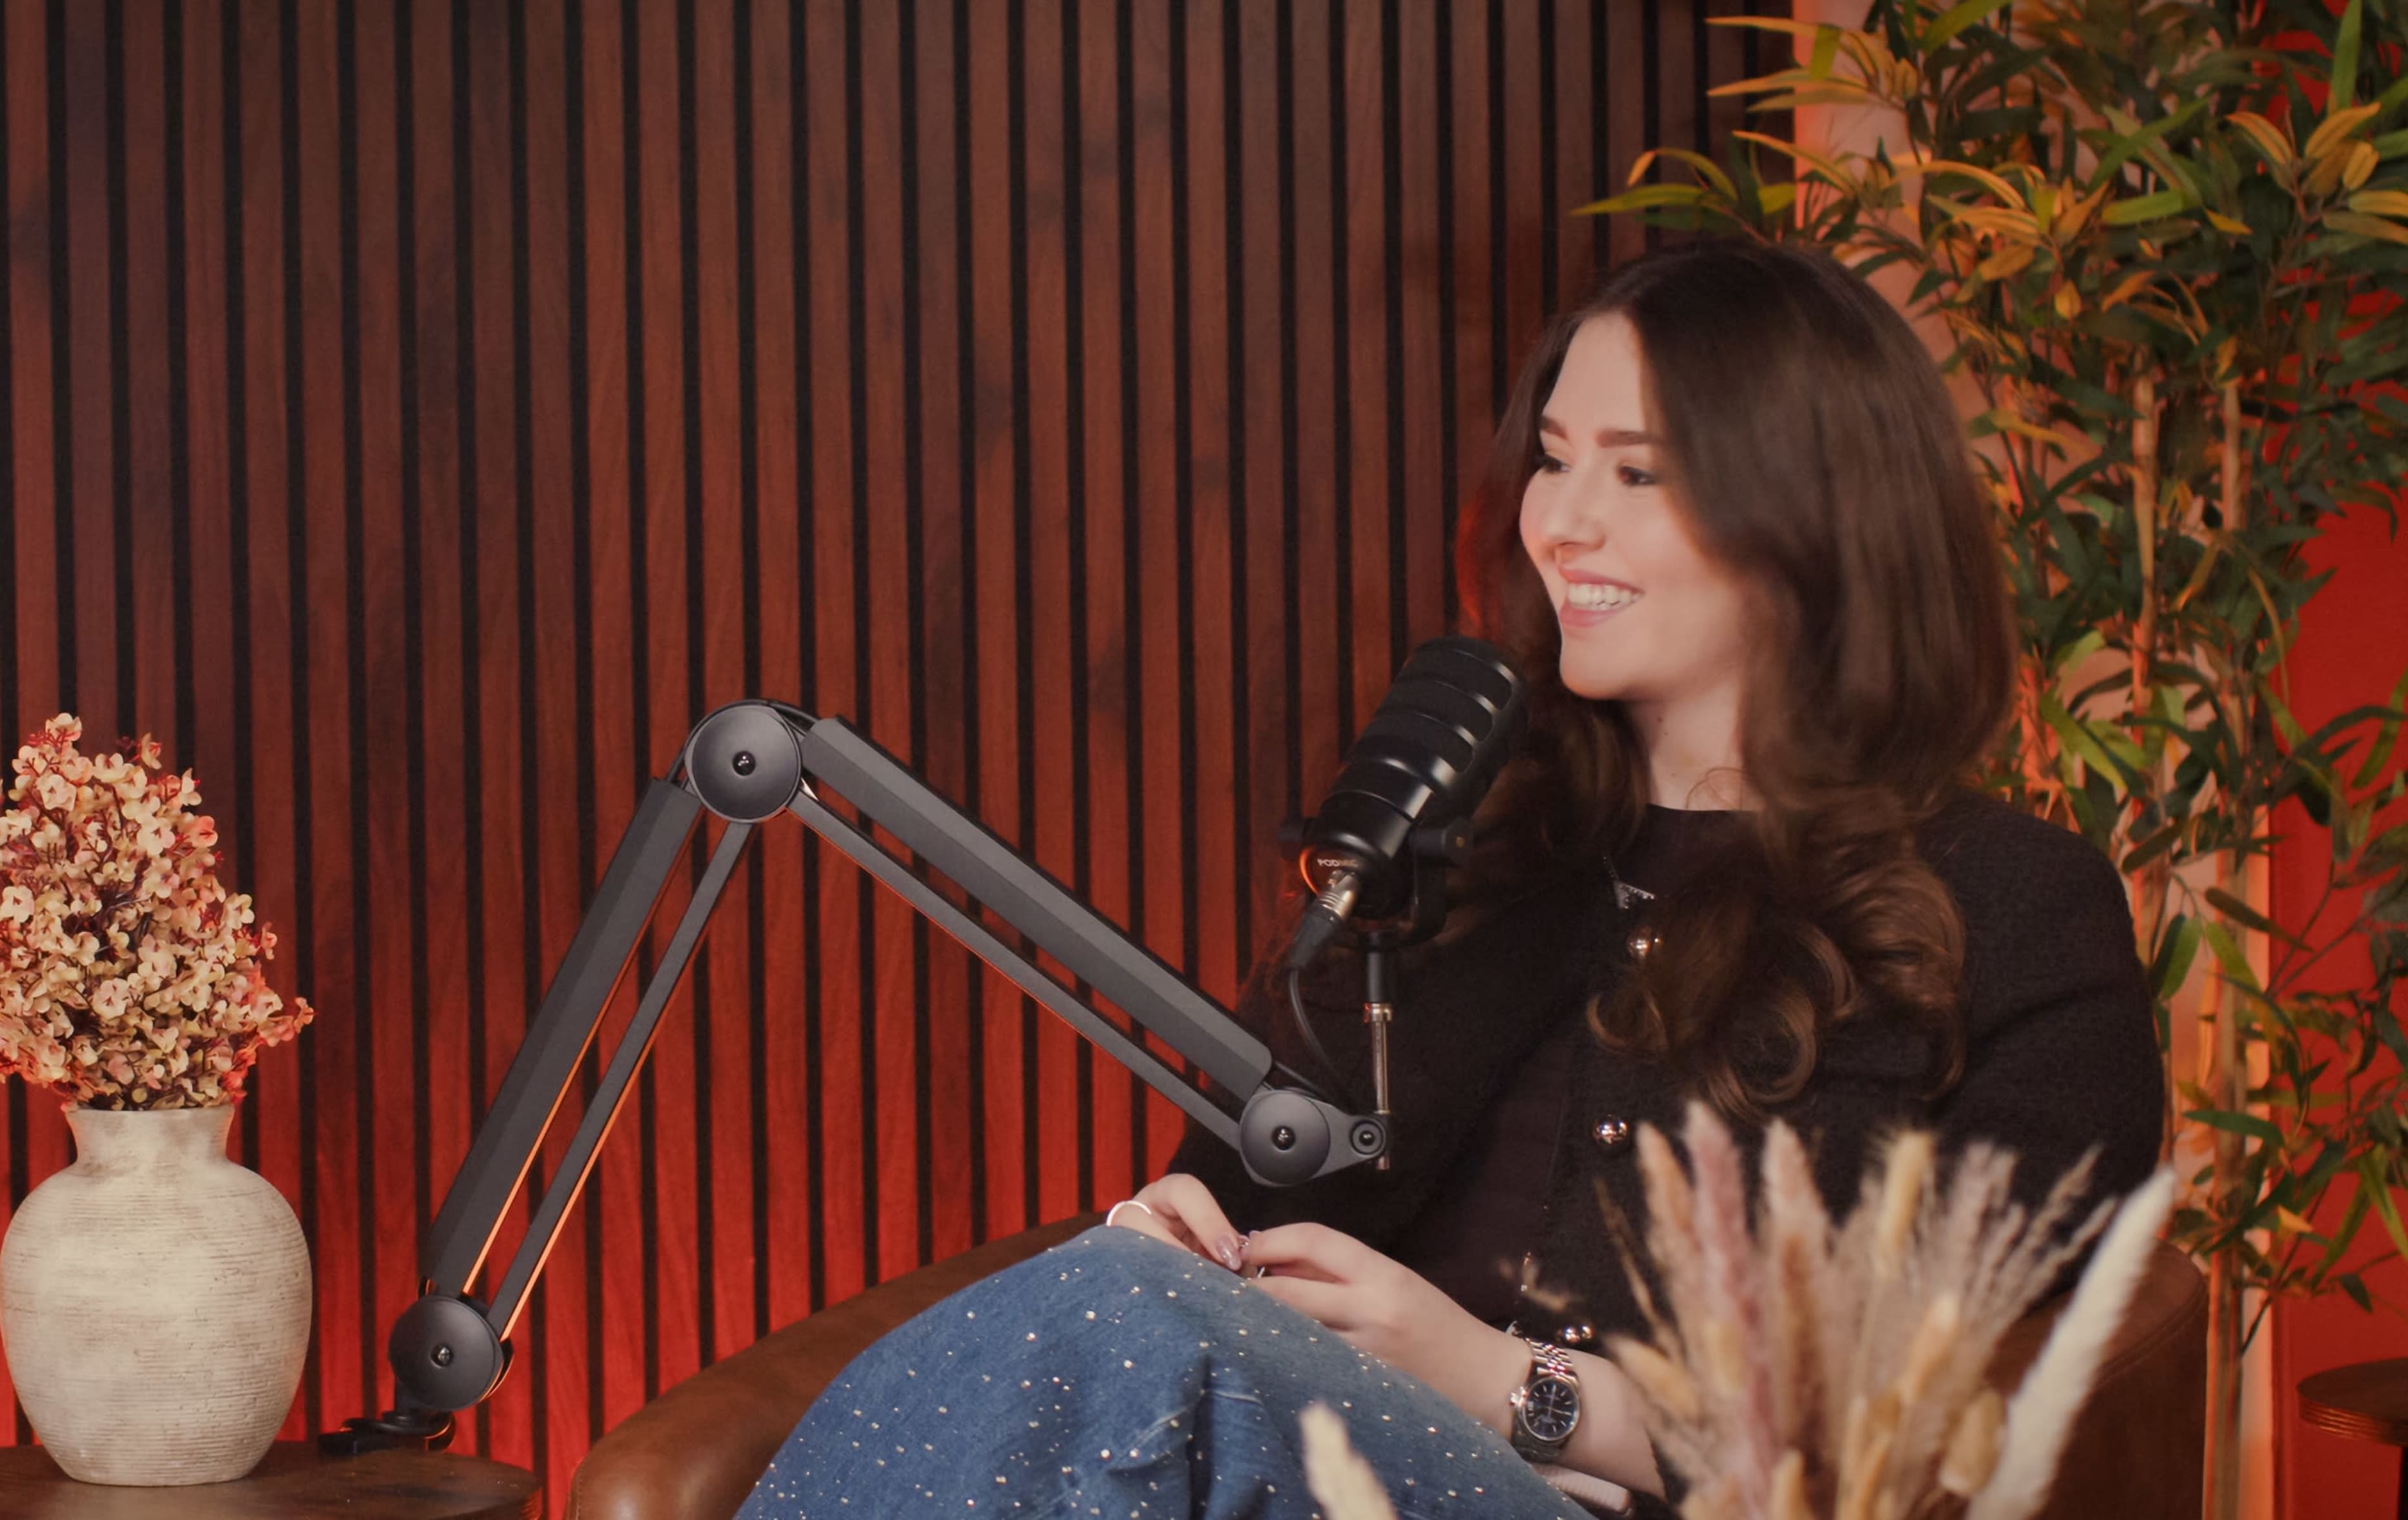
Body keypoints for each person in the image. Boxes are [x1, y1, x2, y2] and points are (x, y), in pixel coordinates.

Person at [734, 241, 2165, 1517]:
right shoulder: (1470, 851)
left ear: (1820, 518)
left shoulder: (2006, 907)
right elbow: (1235, 1195)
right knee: (1117, 1305)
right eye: (1554, 457)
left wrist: (1498, 1379)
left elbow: (1956, 1416)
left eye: (1639, 471)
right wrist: (1188, 1243)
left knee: (1117, 1336)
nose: (1562, 522)